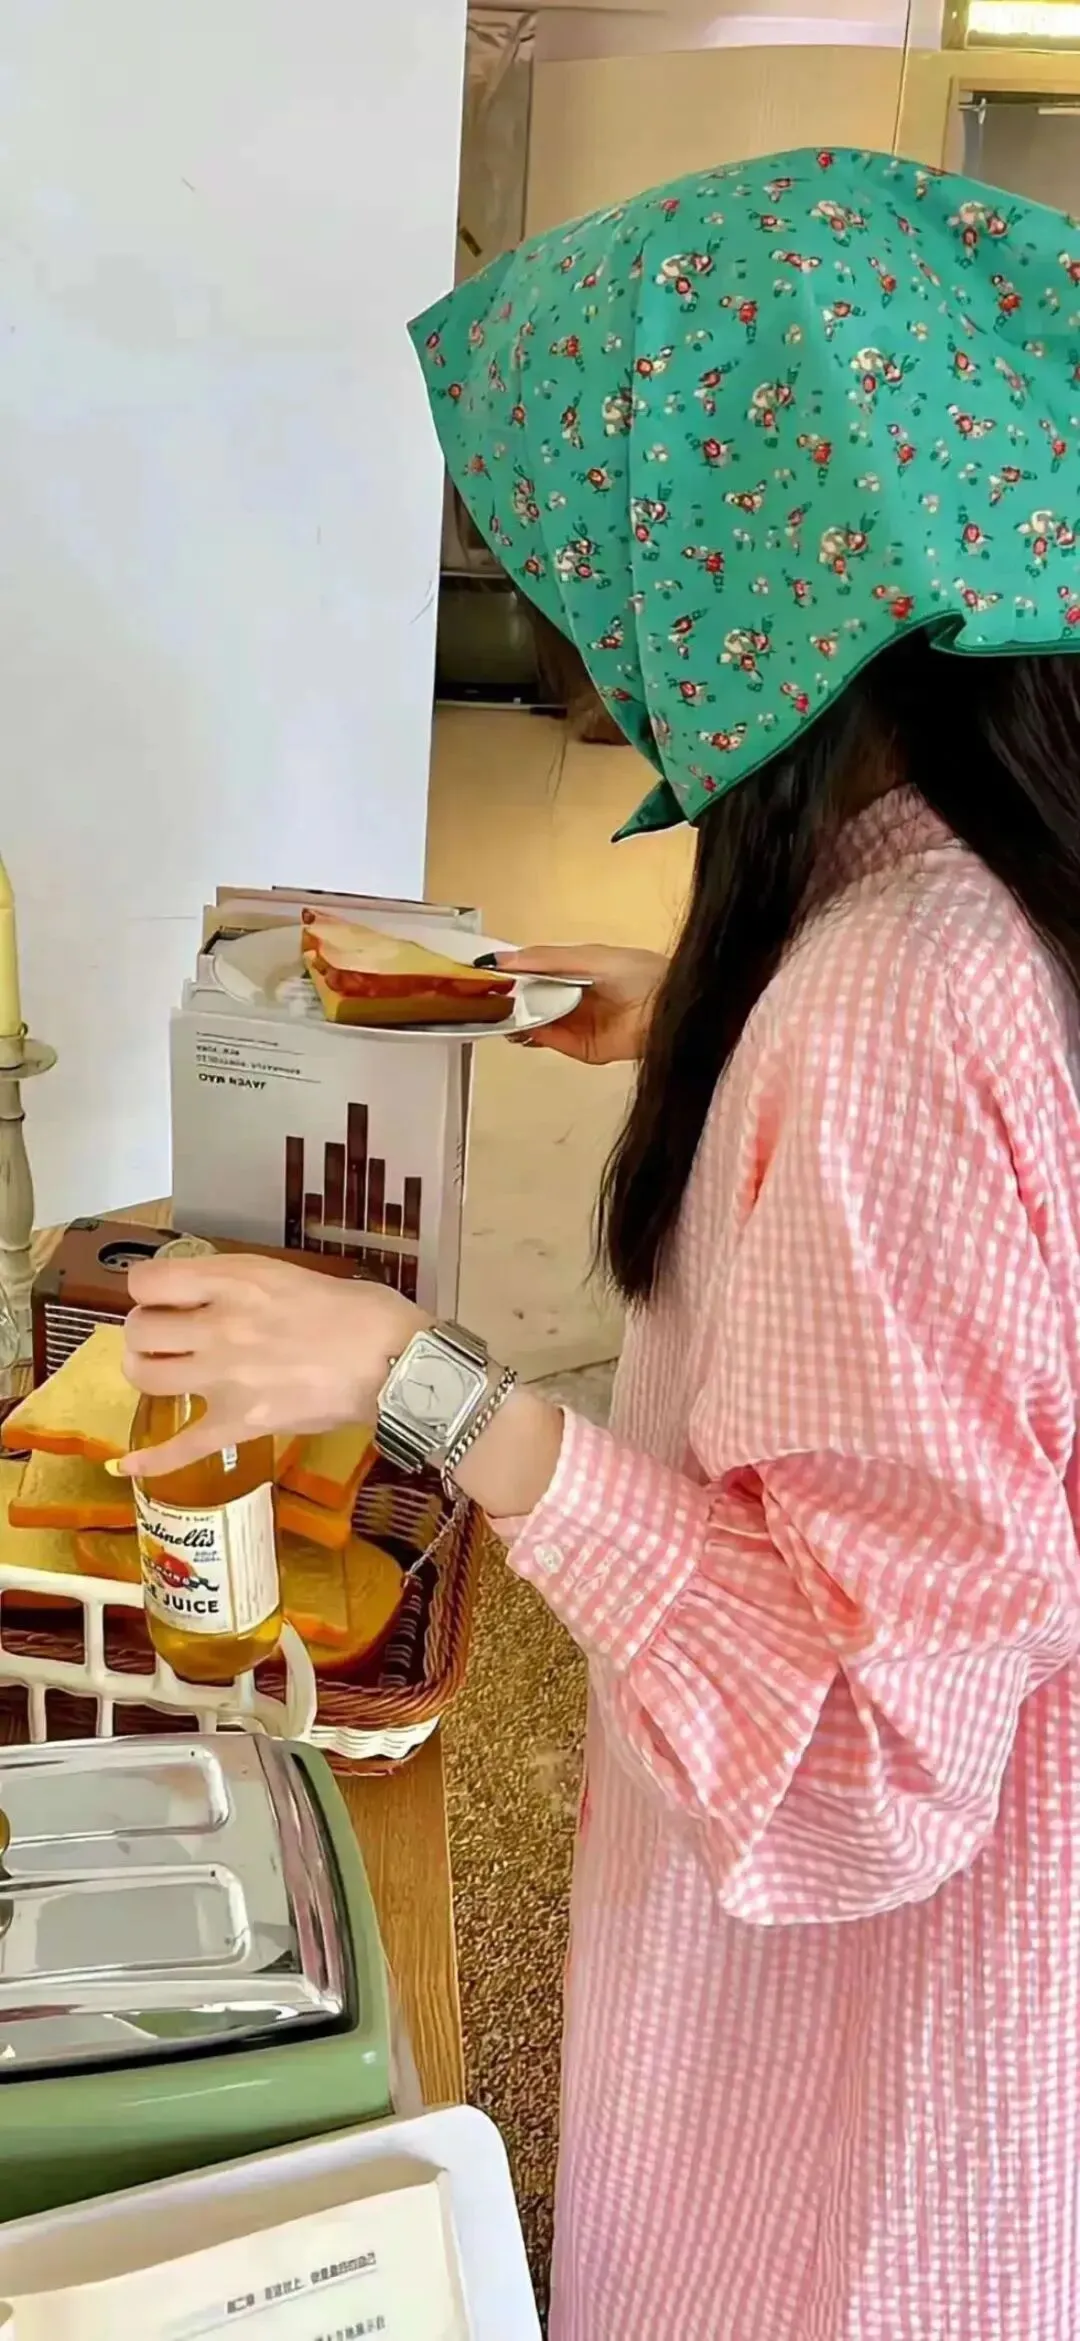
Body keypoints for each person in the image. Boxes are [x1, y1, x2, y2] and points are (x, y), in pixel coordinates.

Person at [121, 150, 1080, 2339]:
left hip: (894, 2044)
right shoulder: (968, 897)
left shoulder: (889, 1008)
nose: (564, 611)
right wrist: (715, 1020)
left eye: (569, 545)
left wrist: (415, 1382)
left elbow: (862, 1744)